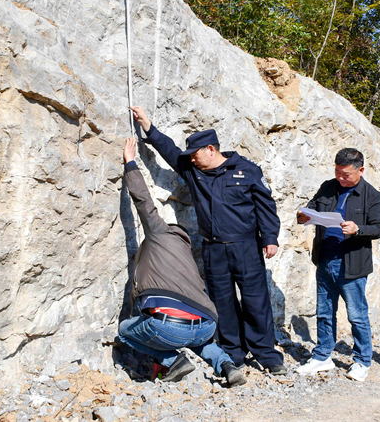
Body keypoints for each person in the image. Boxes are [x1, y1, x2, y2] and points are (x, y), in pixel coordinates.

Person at [129, 106, 287, 375]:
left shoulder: (247, 170)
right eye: (190, 156)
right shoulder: (194, 171)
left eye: (196, 154)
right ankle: (233, 352)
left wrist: (270, 237)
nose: (191, 159)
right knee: (222, 302)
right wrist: (148, 127)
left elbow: (265, 206)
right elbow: (169, 151)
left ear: (211, 150)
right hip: (214, 248)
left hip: (245, 246)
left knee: (255, 300)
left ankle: (267, 355)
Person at [117, 138, 247, 387]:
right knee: (200, 340)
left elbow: (144, 202)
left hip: (170, 327)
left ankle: (173, 362)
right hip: (207, 325)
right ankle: (227, 366)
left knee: (125, 330)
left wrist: (130, 162)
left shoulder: (159, 233)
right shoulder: (186, 254)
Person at [295, 148, 380, 382]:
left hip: (352, 265)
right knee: (324, 312)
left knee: (357, 316)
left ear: (361, 170)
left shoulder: (372, 195)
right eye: (337, 172)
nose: (340, 177)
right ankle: (323, 355)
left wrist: (358, 229)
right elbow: (311, 208)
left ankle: (362, 360)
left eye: (345, 174)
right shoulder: (328, 186)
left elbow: (379, 228)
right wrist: (303, 216)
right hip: (325, 259)